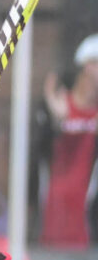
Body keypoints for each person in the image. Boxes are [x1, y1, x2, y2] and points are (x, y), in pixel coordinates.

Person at [33, 32, 98, 248]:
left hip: (86, 235)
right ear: (87, 67)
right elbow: (34, 156)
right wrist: (54, 123)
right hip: (48, 229)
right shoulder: (57, 106)